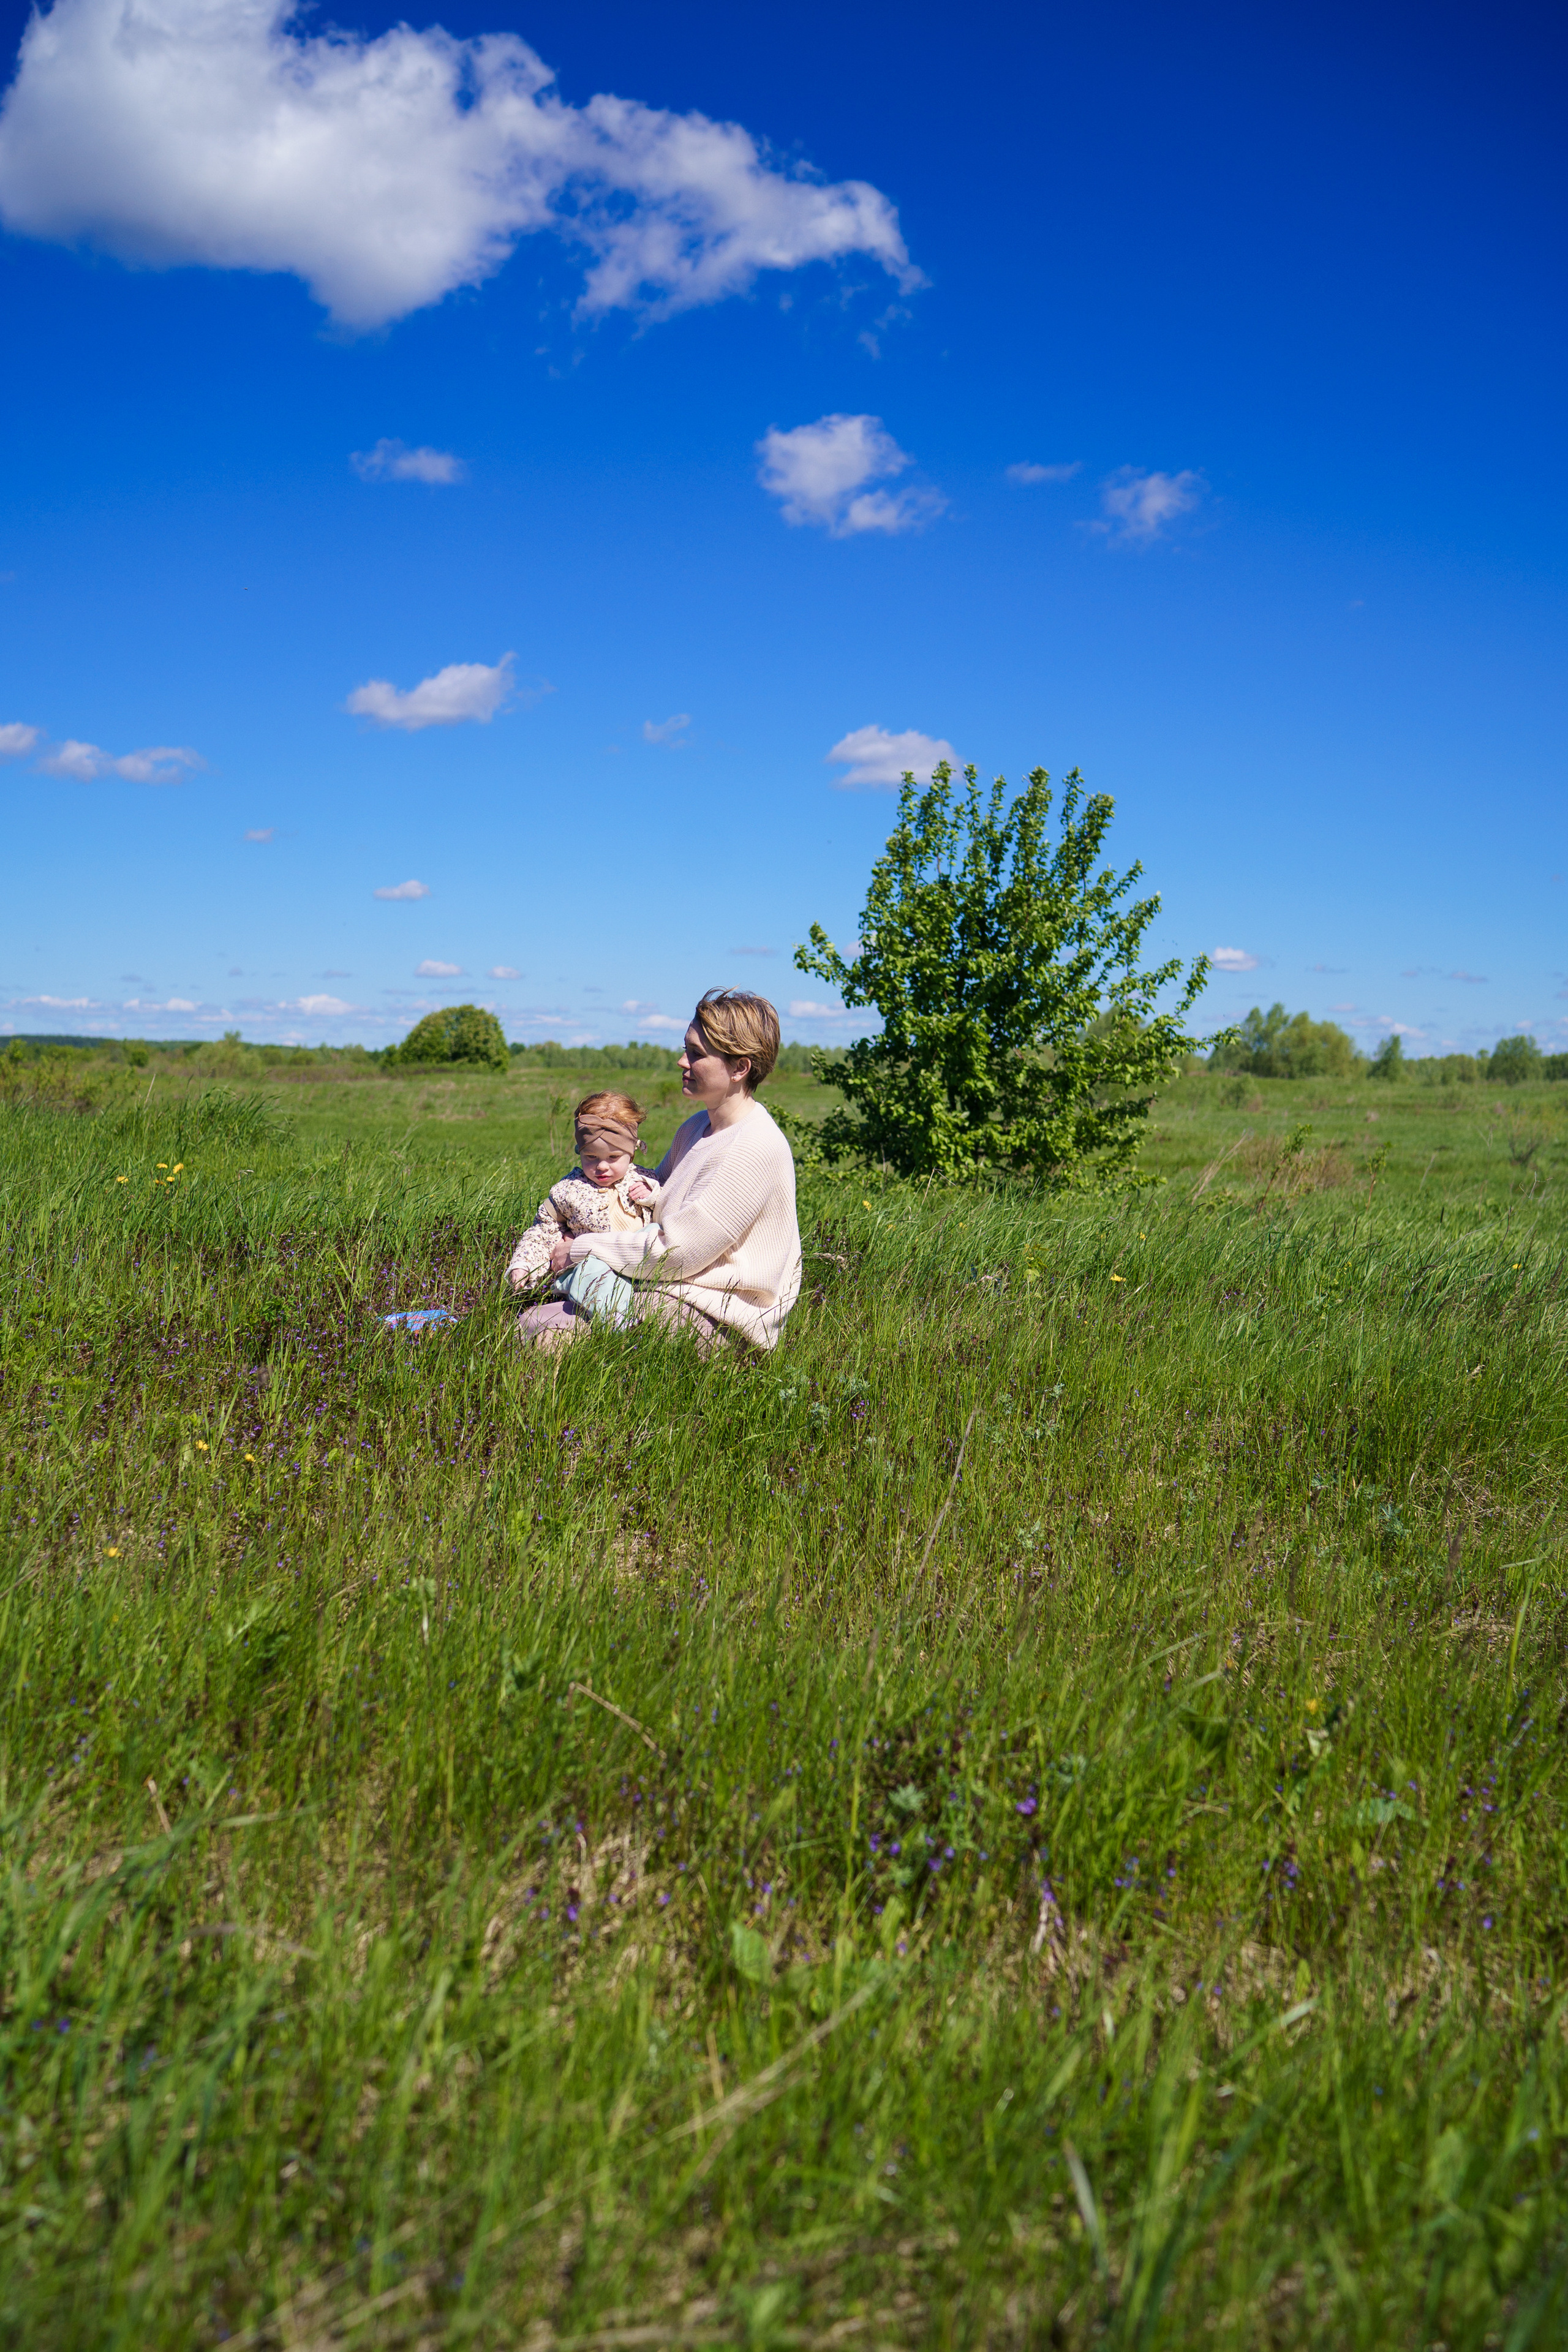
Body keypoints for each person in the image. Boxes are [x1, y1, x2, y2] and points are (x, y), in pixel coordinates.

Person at [522, 990, 802, 1355]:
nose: (681, 1061)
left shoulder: (753, 1147)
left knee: (546, 1335)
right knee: (530, 1319)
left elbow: (677, 1252)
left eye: (697, 1054)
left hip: (719, 1317)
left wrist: (582, 1248)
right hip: (669, 1290)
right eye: (686, 1048)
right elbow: (647, 1200)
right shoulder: (696, 1127)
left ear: (740, 1068)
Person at [507, 1091, 656, 1344]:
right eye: (591, 1157)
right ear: (580, 1152)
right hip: (586, 1266)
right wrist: (524, 1264)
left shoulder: (644, 1179)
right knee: (592, 1270)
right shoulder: (568, 1190)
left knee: (651, 1237)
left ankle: (629, 1312)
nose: (601, 1167)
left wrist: (652, 1195)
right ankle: (621, 1323)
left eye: (613, 1158)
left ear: (632, 1153)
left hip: (635, 1264)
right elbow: (542, 1231)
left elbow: (666, 1208)